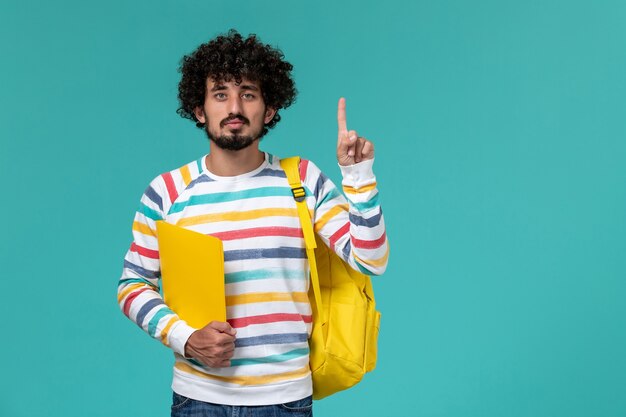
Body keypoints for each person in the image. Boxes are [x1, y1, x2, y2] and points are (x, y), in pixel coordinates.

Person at [117, 29, 389, 416]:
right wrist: (186, 338)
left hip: (285, 400)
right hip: (197, 400)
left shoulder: (303, 180)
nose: (235, 108)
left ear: (270, 108)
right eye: (220, 94)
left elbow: (370, 259)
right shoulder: (167, 191)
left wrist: (359, 176)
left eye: (248, 93)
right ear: (200, 109)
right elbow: (132, 285)